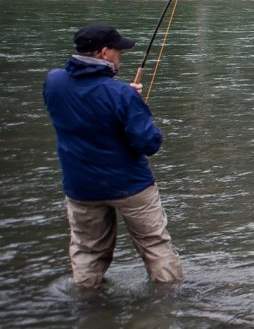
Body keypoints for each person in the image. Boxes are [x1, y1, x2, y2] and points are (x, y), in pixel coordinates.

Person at [43, 24, 183, 290]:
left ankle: (86, 304)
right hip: (130, 184)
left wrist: (125, 98)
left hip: (80, 186)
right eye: (119, 51)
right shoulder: (122, 95)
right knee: (155, 245)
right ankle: (169, 302)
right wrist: (136, 105)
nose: (120, 57)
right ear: (105, 52)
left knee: (87, 251)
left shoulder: (54, 81)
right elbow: (149, 143)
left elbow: (84, 103)